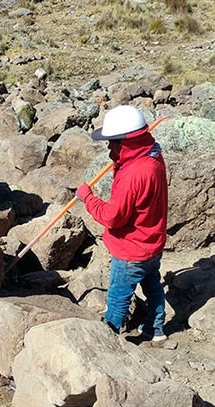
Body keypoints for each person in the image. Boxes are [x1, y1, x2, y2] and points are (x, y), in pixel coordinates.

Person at [75, 105, 168, 342]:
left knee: (118, 295)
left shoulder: (133, 174)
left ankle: (110, 337)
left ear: (126, 143)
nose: (109, 150)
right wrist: (120, 162)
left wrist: (88, 198)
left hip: (131, 250)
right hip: (152, 244)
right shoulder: (153, 155)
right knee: (153, 286)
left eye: (112, 143)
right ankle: (156, 330)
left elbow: (113, 218)